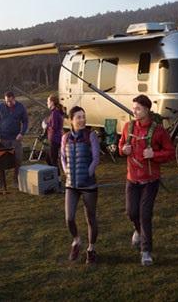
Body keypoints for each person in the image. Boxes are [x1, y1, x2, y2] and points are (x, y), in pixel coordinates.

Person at [118, 95, 175, 266]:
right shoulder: (128, 127)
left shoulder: (158, 131)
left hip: (150, 181)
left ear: (147, 110)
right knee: (131, 212)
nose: (134, 111)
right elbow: (121, 147)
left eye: (138, 109)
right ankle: (138, 231)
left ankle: (146, 251)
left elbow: (170, 153)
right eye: (133, 108)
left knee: (145, 214)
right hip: (132, 179)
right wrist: (123, 150)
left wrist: (154, 155)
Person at [61, 106, 100, 264]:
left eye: (83, 116)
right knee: (69, 218)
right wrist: (67, 172)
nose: (82, 119)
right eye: (78, 117)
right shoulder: (65, 137)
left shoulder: (91, 136)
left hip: (89, 185)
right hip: (71, 185)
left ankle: (91, 249)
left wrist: (89, 173)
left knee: (90, 218)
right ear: (71, 120)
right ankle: (76, 240)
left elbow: (96, 158)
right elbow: (62, 157)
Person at [0, 91, 28, 191]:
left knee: (18, 159)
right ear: (5, 99)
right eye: (7, 101)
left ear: (14, 99)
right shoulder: (0, 107)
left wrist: (22, 133)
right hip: (3, 138)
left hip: (15, 138)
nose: (9, 103)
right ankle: (1, 182)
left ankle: (16, 180)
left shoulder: (20, 107)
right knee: (1, 160)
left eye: (10, 101)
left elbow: (25, 121)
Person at [44, 94, 64, 182]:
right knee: (48, 158)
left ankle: (58, 181)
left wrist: (46, 125)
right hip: (53, 139)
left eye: (48, 101)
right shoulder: (54, 112)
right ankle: (53, 178)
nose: (47, 103)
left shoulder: (55, 113)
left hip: (54, 139)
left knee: (53, 160)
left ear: (52, 102)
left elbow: (54, 127)